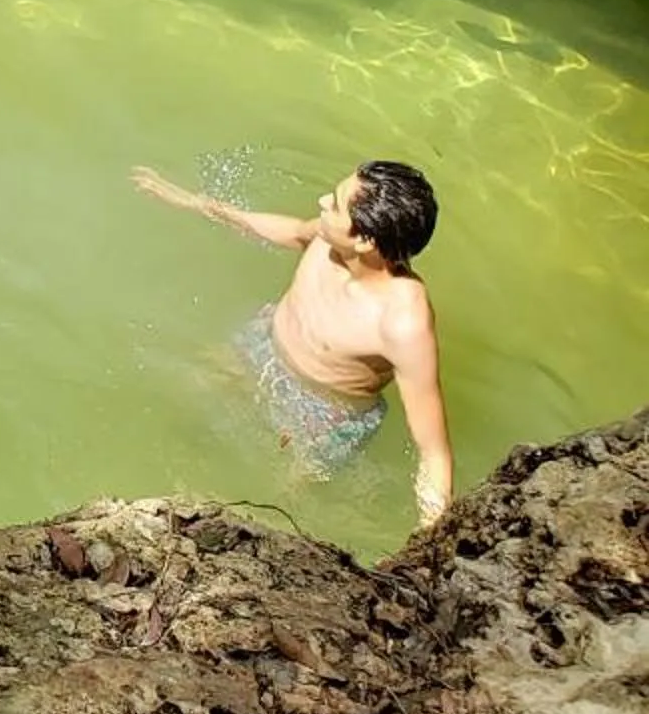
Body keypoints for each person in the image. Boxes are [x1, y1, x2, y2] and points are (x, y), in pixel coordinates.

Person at [132, 159, 453, 525]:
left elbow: (433, 451)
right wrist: (198, 203)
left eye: (334, 204)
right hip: (261, 345)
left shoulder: (402, 322)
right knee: (184, 392)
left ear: (365, 240)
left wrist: (431, 535)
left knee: (278, 502)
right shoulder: (331, 238)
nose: (321, 202)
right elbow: (291, 231)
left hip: (322, 412)